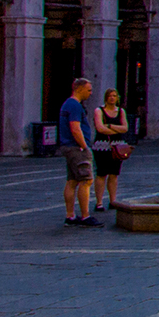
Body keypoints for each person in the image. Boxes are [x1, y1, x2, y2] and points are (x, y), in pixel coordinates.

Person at [58, 77, 97, 226]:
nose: (90, 93)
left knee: (72, 181)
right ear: (79, 89)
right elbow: (75, 127)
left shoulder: (67, 104)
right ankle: (85, 216)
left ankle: (70, 216)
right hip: (77, 147)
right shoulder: (74, 105)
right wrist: (84, 146)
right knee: (86, 180)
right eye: (89, 90)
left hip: (68, 147)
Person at [90, 88, 130, 212]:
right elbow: (100, 128)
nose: (112, 98)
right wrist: (116, 130)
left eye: (114, 96)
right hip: (102, 146)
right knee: (101, 173)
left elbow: (125, 128)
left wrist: (111, 126)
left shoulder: (121, 111)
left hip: (117, 146)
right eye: (110, 96)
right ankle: (99, 202)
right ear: (106, 98)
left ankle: (113, 201)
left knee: (114, 174)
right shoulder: (99, 111)